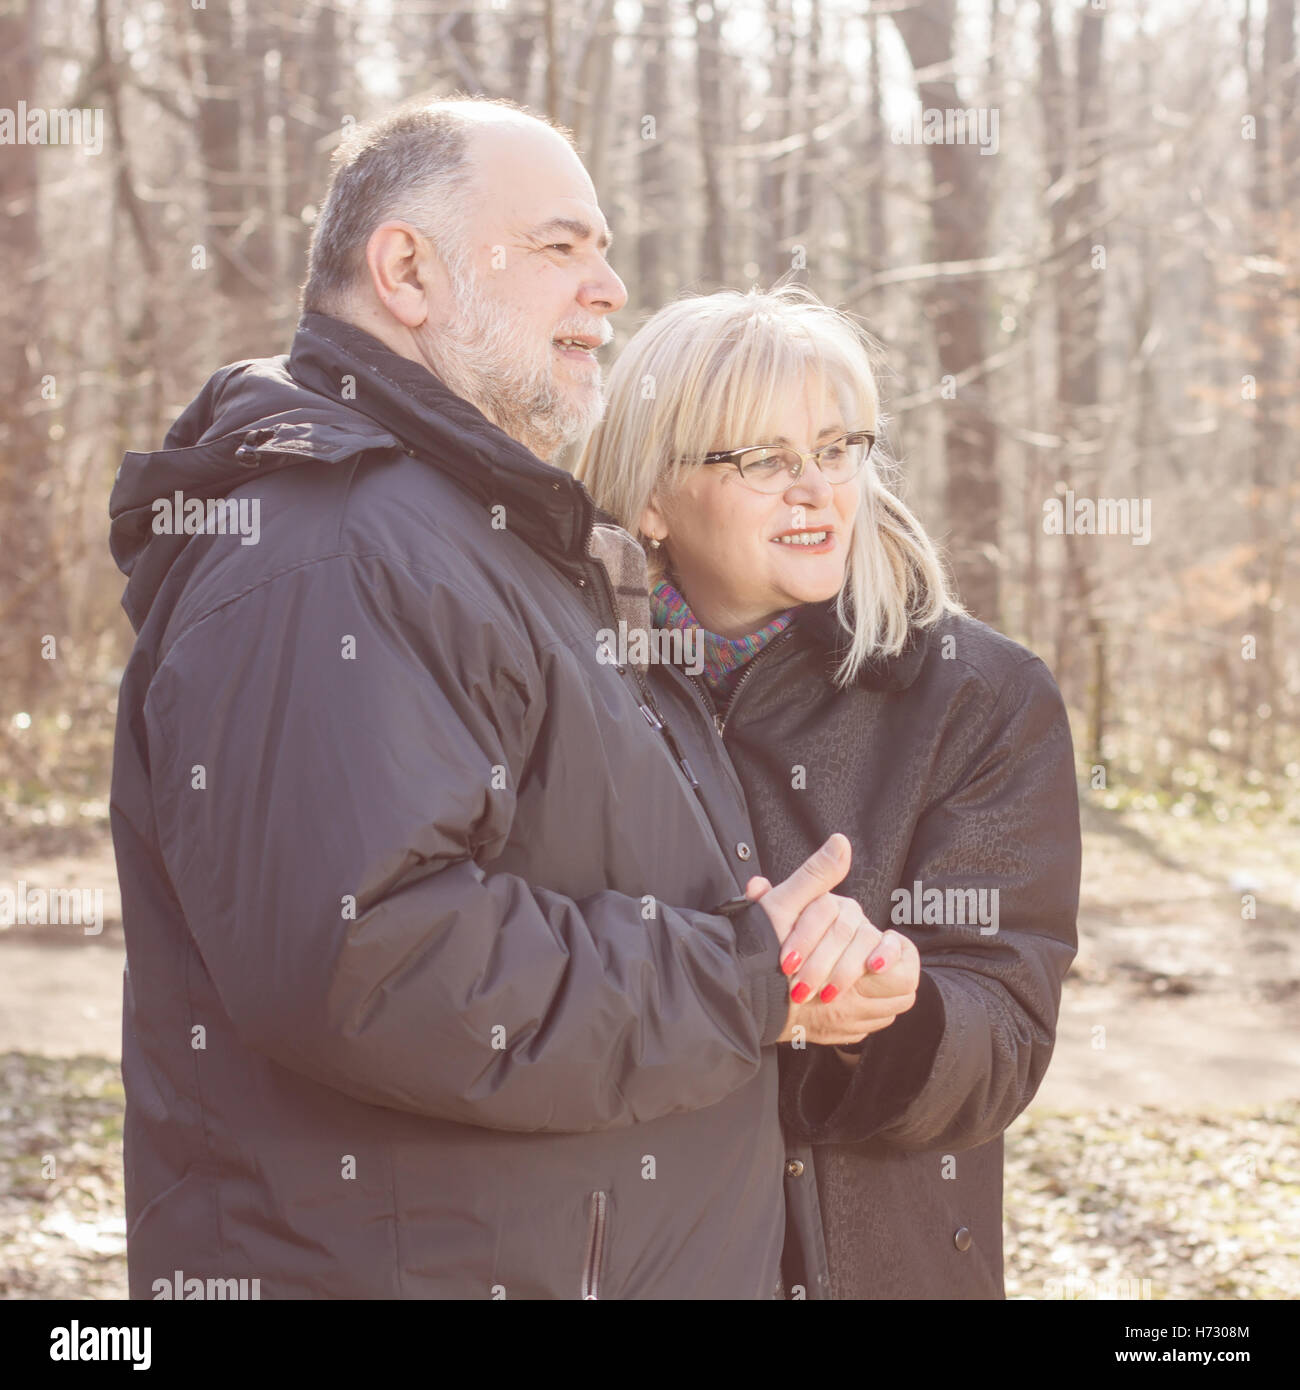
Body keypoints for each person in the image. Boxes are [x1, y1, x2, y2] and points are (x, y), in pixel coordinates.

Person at [106, 101, 891, 1300]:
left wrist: (785, 960)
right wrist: (742, 979)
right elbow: (371, 959)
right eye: (562, 247)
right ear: (407, 270)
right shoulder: (333, 551)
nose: (610, 287)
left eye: (606, 248)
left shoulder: (478, 537)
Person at [575, 283, 1082, 1299]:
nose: (816, 488)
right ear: (648, 497)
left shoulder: (976, 695)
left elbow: (1006, 1027)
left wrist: (891, 1009)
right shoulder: (564, 677)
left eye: (838, 446)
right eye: (762, 459)